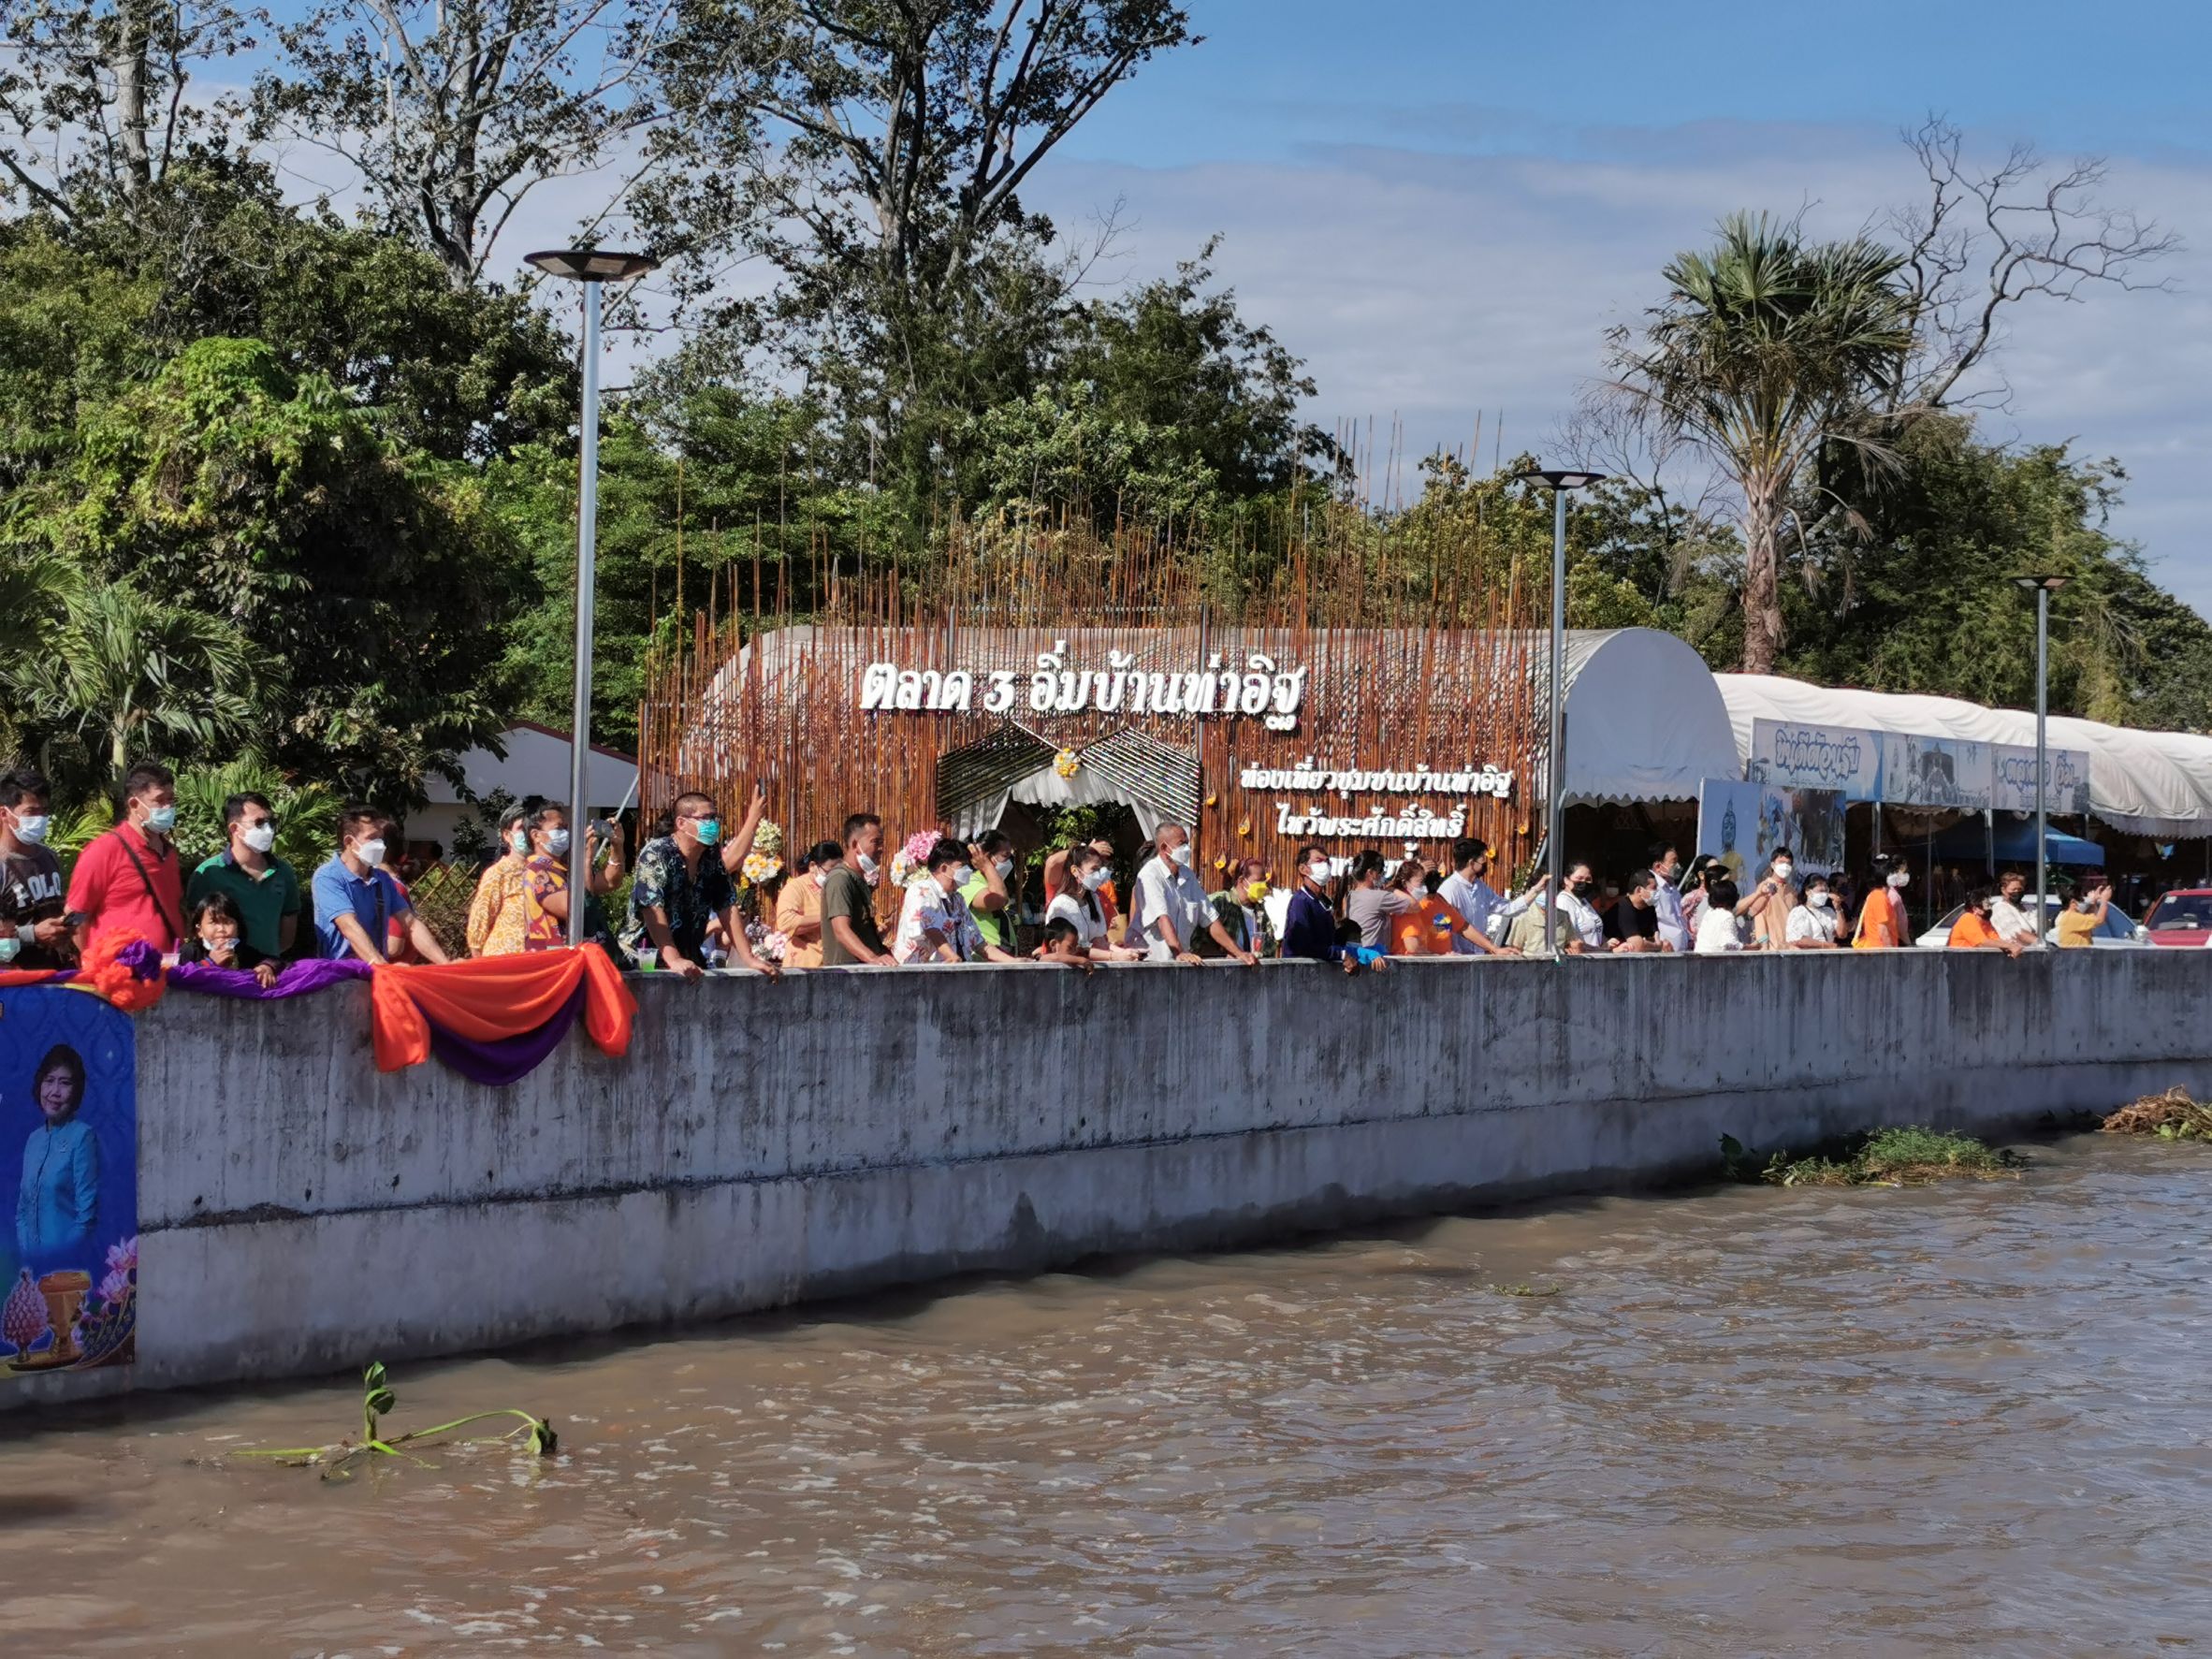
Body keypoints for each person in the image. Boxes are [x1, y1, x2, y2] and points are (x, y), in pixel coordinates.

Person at [620, 792, 772, 976]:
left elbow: (727, 905)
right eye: (705, 818)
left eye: (715, 817)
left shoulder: (710, 855)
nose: (713, 823)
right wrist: (673, 959)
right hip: (644, 959)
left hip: (690, 959)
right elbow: (651, 908)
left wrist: (749, 958)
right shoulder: (657, 853)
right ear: (681, 823)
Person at [65, 761, 183, 954]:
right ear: (135, 804)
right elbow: (76, 915)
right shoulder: (105, 850)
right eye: (160, 800)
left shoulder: (168, 852)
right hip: (118, 973)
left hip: (169, 970)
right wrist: (89, 963)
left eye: (171, 799)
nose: (168, 807)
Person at [313, 806, 449, 965]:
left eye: (381, 838)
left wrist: (445, 963)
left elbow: (411, 924)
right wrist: (381, 966)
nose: (380, 845)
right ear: (349, 842)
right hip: (340, 976)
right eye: (372, 838)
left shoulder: (382, 879)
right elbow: (349, 926)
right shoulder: (328, 877)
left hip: (376, 972)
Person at [185, 792, 303, 964]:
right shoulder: (208, 873)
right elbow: (194, 928)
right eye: (259, 823)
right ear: (235, 829)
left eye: (271, 822)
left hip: (267, 974)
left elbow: (287, 934)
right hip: (221, 975)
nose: (268, 829)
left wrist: (266, 962)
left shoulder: (283, 872)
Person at [16, 1043, 96, 1270]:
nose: (54, 1092)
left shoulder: (82, 1137)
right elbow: (22, 1210)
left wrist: (56, 1258)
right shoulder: (33, 1140)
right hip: (31, 1268)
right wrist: (29, 1255)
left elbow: (85, 1218)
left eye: (65, 1083)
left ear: (76, 1090)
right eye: (49, 1080)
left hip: (66, 1268)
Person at [1133, 824, 1256, 965]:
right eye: (1181, 844)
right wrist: (1180, 953)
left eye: (1187, 843)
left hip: (1179, 964)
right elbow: (1162, 918)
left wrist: (1239, 953)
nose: (1186, 848)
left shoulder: (1188, 875)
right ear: (1164, 848)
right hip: (1150, 963)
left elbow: (1210, 919)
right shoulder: (1150, 875)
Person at [895, 838, 1021, 964]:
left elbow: (980, 944)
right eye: (962, 866)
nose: (967, 871)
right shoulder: (922, 889)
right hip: (919, 973)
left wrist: (1014, 961)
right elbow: (930, 928)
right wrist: (951, 956)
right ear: (944, 868)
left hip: (953, 971)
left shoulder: (957, 899)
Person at [0, 766, 71, 968]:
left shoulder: (49, 857)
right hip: (15, 984)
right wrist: (33, 934)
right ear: (4, 814)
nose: (39, 819)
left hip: (56, 977)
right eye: (31, 812)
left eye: (44, 811)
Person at [1437, 838, 1544, 950]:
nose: (1486, 862)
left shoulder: (1480, 887)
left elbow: (1508, 908)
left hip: (1478, 957)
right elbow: (1442, 929)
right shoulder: (1449, 889)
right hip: (1456, 960)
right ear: (1472, 863)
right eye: (1483, 859)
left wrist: (1536, 889)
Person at [821, 813, 895, 967]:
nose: (881, 849)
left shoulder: (857, 879)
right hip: (846, 976)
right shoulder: (840, 878)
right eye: (875, 842)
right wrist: (872, 958)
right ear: (855, 844)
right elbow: (841, 930)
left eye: (882, 843)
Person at [1044, 845, 1140, 962]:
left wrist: (1126, 953)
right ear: (1075, 871)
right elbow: (1073, 949)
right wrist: (1113, 956)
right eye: (1094, 869)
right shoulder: (1061, 905)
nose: (1098, 875)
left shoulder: (1093, 899)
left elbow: (1099, 941)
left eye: (1099, 869)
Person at [466, 803, 534, 956]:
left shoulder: (545, 872)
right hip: (503, 964)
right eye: (521, 828)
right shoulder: (498, 874)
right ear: (506, 835)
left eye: (531, 828)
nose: (527, 833)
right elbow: (480, 921)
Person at [177, 889, 281, 987]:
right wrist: (210, 963)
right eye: (213, 922)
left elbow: (276, 961)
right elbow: (181, 975)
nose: (221, 929)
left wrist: (266, 967)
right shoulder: (190, 951)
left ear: (238, 928)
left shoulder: (243, 952)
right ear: (199, 931)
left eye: (227, 922)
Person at [777, 839, 842, 969]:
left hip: (836, 962)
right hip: (804, 963)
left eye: (839, 872)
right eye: (831, 871)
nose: (835, 877)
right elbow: (785, 922)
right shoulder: (796, 887)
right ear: (813, 866)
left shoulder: (840, 887)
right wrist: (830, 917)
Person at [1043, 835, 1121, 943]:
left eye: (1103, 863)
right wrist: (1086, 849)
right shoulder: (1060, 898)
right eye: (1094, 868)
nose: (1101, 871)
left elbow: (1099, 938)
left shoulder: (1095, 894)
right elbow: (1052, 863)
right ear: (1074, 869)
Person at [1279, 845, 1344, 966]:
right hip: (1299, 972)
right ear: (1303, 869)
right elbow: (1301, 945)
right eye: (1319, 861)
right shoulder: (1301, 901)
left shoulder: (1325, 902)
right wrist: (1340, 954)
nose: (1325, 866)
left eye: (1327, 862)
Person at [959, 830, 1020, 955]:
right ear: (986, 856)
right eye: (1005, 856)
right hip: (983, 962)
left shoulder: (992, 884)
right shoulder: (970, 883)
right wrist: (986, 866)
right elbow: (999, 900)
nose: (1009, 862)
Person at [1211, 859, 1278, 959]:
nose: (1263, 886)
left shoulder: (1261, 910)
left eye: (1264, 881)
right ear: (1242, 881)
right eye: (1258, 881)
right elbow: (1199, 941)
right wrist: (1223, 955)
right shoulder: (1221, 903)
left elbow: (1270, 947)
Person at [1736, 849, 1797, 951]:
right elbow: (1756, 914)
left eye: (1788, 863)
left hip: (1790, 946)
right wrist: (1764, 945)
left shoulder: (1792, 890)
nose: (1785, 866)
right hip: (1772, 948)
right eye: (1781, 862)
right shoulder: (1766, 887)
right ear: (1773, 865)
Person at [1604, 869, 1670, 953]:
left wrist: (1652, 944)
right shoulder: (1624, 908)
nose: (1657, 892)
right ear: (1639, 890)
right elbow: (1637, 946)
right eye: (1653, 888)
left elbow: (1657, 938)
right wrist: (1657, 946)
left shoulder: (1650, 908)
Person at [1852, 858, 1911, 949]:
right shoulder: (1879, 898)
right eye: (1893, 872)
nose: (1898, 875)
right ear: (1885, 876)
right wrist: (1890, 952)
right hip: (1880, 951)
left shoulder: (1879, 896)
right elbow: (1882, 929)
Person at [1948, 888, 2026, 955]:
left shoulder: (1985, 922)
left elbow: (1994, 939)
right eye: (1987, 905)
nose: (1990, 908)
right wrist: (2009, 946)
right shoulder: (1967, 918)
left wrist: (2009, 943)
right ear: (1976, 909)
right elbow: (1982, 943)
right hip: (1960, 963)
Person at [1552, 861, 1606, 953]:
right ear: (1567, 880)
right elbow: (1571, 941)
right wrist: (1603, 949)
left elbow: (1596, 931)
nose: (1584, 882)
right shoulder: (1564, 901)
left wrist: (1608, 944)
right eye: (1579, 878)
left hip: (1595, 958)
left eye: (1588, 879)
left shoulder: (1583, 901)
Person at [1646, 842, 1691, 953]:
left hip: (1681, 950)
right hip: (1663, 952)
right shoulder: (1652, 887)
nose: (1678, 866)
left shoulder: (1672, 887)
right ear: (1658, 866)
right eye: (1674, 862)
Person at [1986, 869, 2043, 950]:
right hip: (2015, 954)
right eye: (2013, 889)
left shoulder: (2030, 907)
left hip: (2036, 952)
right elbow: (2017, 932)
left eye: (2020, 889)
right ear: (2003, 890)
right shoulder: (2000, 908)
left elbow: (2041, 927)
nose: (2017, 892)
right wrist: (2040, 944)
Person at [1783, 873, 1842, 948]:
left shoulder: (1828, 911)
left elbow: (1841, 934)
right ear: (1808, 891)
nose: (1824, 894)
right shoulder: (1799, 912)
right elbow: (1798, 939)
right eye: (1821, 891)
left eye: (1825, 891)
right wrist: (1825, 945)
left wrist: (1838, 909)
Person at [1695, 878, 1748, 953]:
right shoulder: (1727, 916)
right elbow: (1729, 944)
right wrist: (1751, 947)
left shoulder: (1709, 914)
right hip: (1717, 961)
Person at [2056, 881, 2108, 950]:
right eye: (2081, 899)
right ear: (2073, 902)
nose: (2083, 901)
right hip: (2076, 957)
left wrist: (2094, 900)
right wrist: (2104, 900)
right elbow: (2099, 920)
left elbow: (2090, 915)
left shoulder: (2070, 916)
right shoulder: (2073, 918)